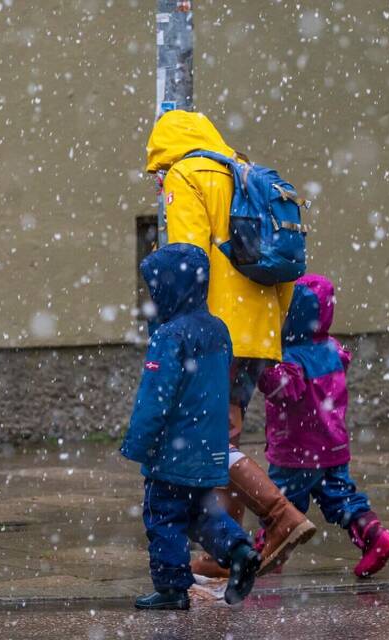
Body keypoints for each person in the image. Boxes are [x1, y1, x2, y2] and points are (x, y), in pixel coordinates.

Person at [145, 110, 316, 577]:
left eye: (157, 173)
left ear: (167, 157)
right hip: (257, 327)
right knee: (228, 432)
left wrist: (181, 334)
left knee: (211, 439)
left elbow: (187, 262)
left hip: (214, 329)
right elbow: (285, 264)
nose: (159, 183)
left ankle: (280, 516)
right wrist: (268, 328)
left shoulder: (187, 174)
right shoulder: (244, 171)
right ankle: (230, 554)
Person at [120, 243, 260, 610]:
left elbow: (156, 397)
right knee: (201, 512)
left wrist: (139, 443)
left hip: (173, 448)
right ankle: (240, 549)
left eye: (156, 288)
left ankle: (171, 588)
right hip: (207, 446)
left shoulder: (170, 336)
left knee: (163, 513)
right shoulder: (218, 329)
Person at [256, 274, 389, 577]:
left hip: (296, 452)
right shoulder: (332, 349)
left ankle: (265, 554)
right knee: (341, 498)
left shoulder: (291, 359)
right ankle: (375, 536)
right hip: (333, 447)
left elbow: (283, 390)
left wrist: (260, 368)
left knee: (279, 506)